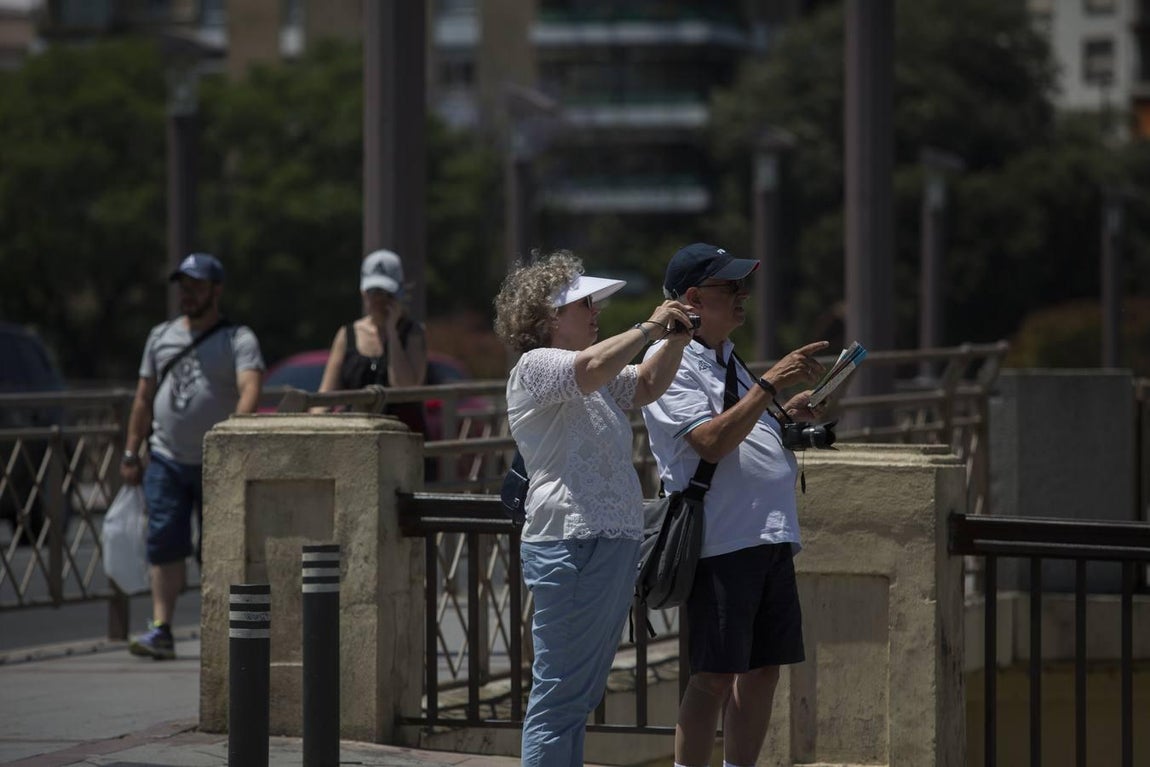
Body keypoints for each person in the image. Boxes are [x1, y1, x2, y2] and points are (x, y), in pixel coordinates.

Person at [493, 250, 695, 767]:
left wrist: (674, 340)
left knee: (578, 696)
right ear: (548, 318)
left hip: (608, 539)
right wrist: (649, 327)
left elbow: (647, 384)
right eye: (583, 303)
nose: (594, 311)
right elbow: (587, 368)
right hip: (567, 540)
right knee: (560, 694)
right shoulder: (536, 365)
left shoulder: (597, 373)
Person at [639, 243, 830, 767]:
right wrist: (769, 385)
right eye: (731, 288)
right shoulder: (669, 362)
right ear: (695, 299)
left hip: (766, 534)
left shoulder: (728, 359)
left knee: (764, 668)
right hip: (723, 539)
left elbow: (743, 425)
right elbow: (711, 442)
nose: (743, 297)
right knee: (714, 676)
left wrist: (781, 410)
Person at [121, 253, 264, 660]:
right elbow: (143, 397)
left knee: (217, 547)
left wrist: (232, 436)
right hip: (166, 457)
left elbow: (250, 388)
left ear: (216, 290)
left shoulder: (237, 338)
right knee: (164, 541)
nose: (188, 294)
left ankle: (219, 632)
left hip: (217, 460)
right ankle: (162, 628)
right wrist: (131, 450)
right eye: (183, 286)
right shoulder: (160, 336)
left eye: (197, 286)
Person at [315, 249, 428, 437]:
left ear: (399, 293)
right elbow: (326, 395)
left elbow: (405, 387)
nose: (379, 300)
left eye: (386, 293)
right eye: (373, 292)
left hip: (402, 439)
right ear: (362, 292)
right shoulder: (347, 334)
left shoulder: (413, 333)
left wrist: (392, 332)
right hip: (356, 437)